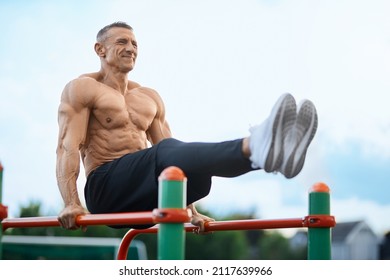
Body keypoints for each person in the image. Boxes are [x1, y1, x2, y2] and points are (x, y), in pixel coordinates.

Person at [56, 22, 318, 232]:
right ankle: (256, 145)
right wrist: (71, 203)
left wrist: (191, 211)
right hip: (107, 191)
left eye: (135, 43)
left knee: (199, 175)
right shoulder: (82, 88)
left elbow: (172, 154)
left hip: (149, 195)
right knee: (168, 151)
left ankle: (269, 157)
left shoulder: (149, 97)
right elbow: (67, 146)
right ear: (100, 49)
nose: (131, 48)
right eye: (122, 41)